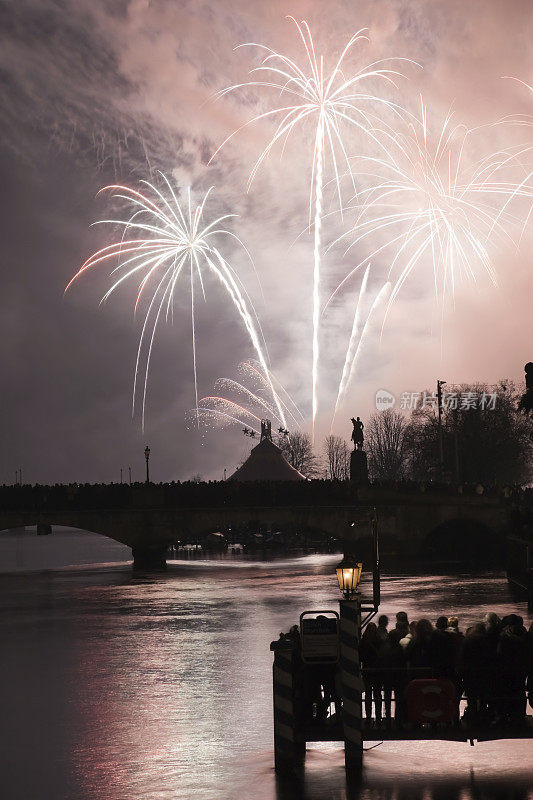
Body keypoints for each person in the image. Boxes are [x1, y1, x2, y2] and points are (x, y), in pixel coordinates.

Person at [378, 629, 406, 726]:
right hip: (398, 676)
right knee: (399, 698)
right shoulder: (399, 649)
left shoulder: (384, 648)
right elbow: (403, 662)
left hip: (386, 676)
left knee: (387, 698)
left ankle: (387, 717)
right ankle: (399, 719)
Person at [359, 622, 382, 725]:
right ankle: (378, 716)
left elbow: (360, 657)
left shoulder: (363, 642)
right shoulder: (379, 641)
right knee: (377, 695)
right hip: (377, 671)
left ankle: (368, 717)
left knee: (368, 695)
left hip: (366, 671)